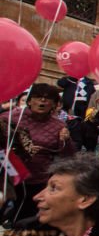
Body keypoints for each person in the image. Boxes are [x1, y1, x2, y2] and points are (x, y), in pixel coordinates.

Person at [0, 83, 76, 220]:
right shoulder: (10, 117)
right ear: (29, 100)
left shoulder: (59, 126)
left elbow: (68, 155)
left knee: (23, 217)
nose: (42, 101)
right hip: (8, 175)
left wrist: (67, 139)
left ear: (54, 104)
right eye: (38, 97)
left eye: (48, 99)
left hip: (37, 179)